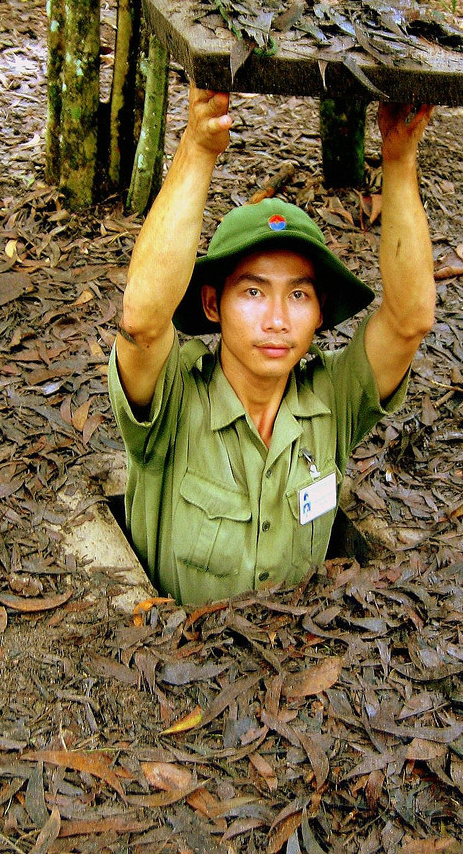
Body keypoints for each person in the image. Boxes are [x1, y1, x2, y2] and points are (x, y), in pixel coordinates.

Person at [108, 85, 435, 606]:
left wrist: (398, 161)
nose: (278, 319)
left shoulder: (333, 399)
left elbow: (409, 321)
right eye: (254, 291)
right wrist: (196, 148)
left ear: (320, 312)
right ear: (212, 305)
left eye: (299, 294)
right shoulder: (175, 396)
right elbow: (143, 323)